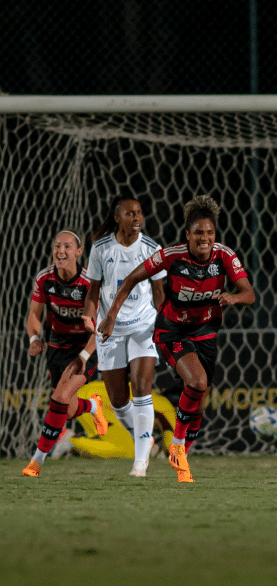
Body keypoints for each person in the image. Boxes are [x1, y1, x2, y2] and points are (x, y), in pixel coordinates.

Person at [97, 195, 255, 483]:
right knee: (196, 382)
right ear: (188, 235)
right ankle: (178, 444)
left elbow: (249, 293)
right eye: (198, 233)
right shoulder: (171, 256)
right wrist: (111, 316)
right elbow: (131, 278)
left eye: (209, 232)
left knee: (200, 403)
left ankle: (181, 458)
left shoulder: (225, 256)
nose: (204, 238)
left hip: (206, 332)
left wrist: (234, 296)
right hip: (172, 331)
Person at [82, 194, 165, 477]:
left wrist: (165, 323)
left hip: (144, 325)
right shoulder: (101, 248)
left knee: (142, 388)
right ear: (117, 217)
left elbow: (158, 291)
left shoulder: (152, 249)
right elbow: (94, 288)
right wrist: (88, 316)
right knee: (117, 399)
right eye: (130, 214)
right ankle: (145, 437)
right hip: (110, 328)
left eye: (140, 213)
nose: (137, 218)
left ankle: (140, 462)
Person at [22, 230, 109, 477]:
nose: (61, 251)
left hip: (86, 346)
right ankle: (93, 406)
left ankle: (36, 461)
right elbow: (34, 315)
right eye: (57, 246)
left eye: (68, 246)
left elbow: (100, 326)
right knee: (67, 409)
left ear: (79, 252)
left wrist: (83, 357)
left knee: (59, 398)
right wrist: (35, 338)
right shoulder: (44, 278)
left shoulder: (89, 282)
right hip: (58, 345)